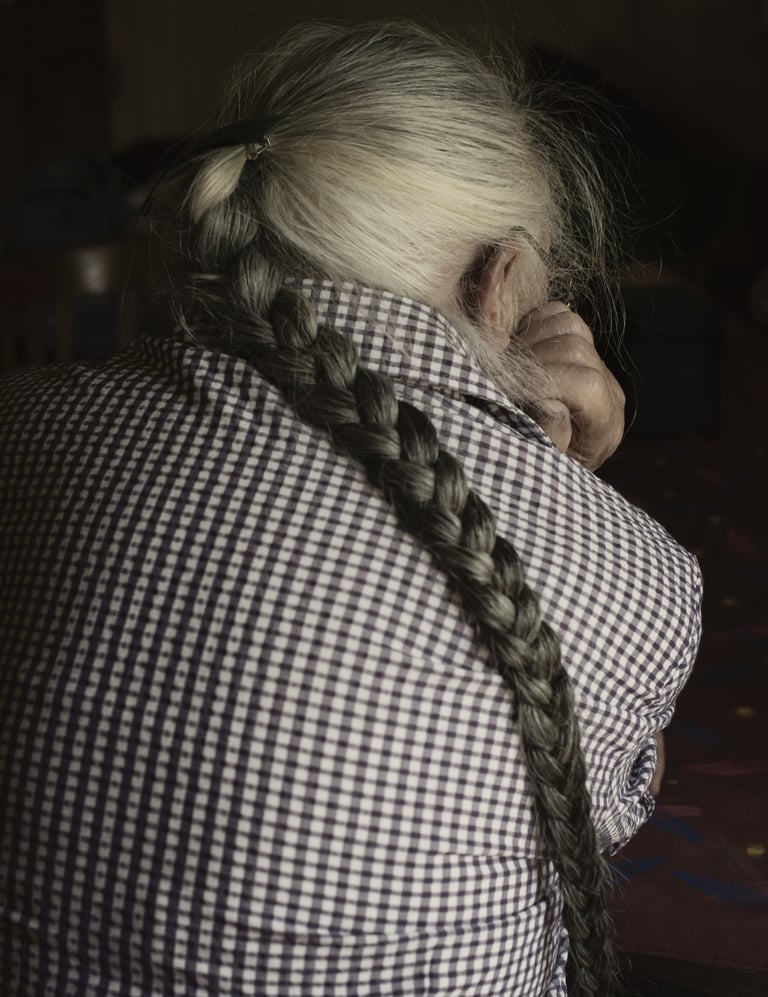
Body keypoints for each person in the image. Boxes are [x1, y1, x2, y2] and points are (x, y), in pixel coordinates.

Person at [0, 21, 701, 996]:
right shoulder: (627, 567)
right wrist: (563, 483)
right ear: (500, 282)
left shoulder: (26, 422)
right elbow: (608, 805)